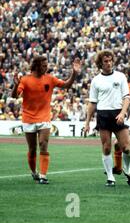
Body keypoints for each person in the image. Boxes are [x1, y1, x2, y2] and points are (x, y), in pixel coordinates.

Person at [11, 55, 81, 184]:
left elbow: (66, 85)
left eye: (46, 65)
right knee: (32, 149)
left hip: (44, 118)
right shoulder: (25, 80)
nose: (46, 67)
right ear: (36, 66)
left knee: (43, 144)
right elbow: (15, 96)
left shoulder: (50, 79)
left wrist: (74, 74)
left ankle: (43, 175)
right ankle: (34, 172)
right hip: (29, 118)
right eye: (44, 65)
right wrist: (15, 85)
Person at [84, 50, 130, 187]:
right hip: (103, 115)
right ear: (100, 63)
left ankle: (127, 169)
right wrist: (87, 122)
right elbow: (92, 103)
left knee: (125, 147)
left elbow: (126, 98)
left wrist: (123, 113)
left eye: (110, 60)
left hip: (118, 113)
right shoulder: (96, 80)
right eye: (105, 61)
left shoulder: (120, 76)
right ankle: (110, 177)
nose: (109, 63)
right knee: (106, 147)